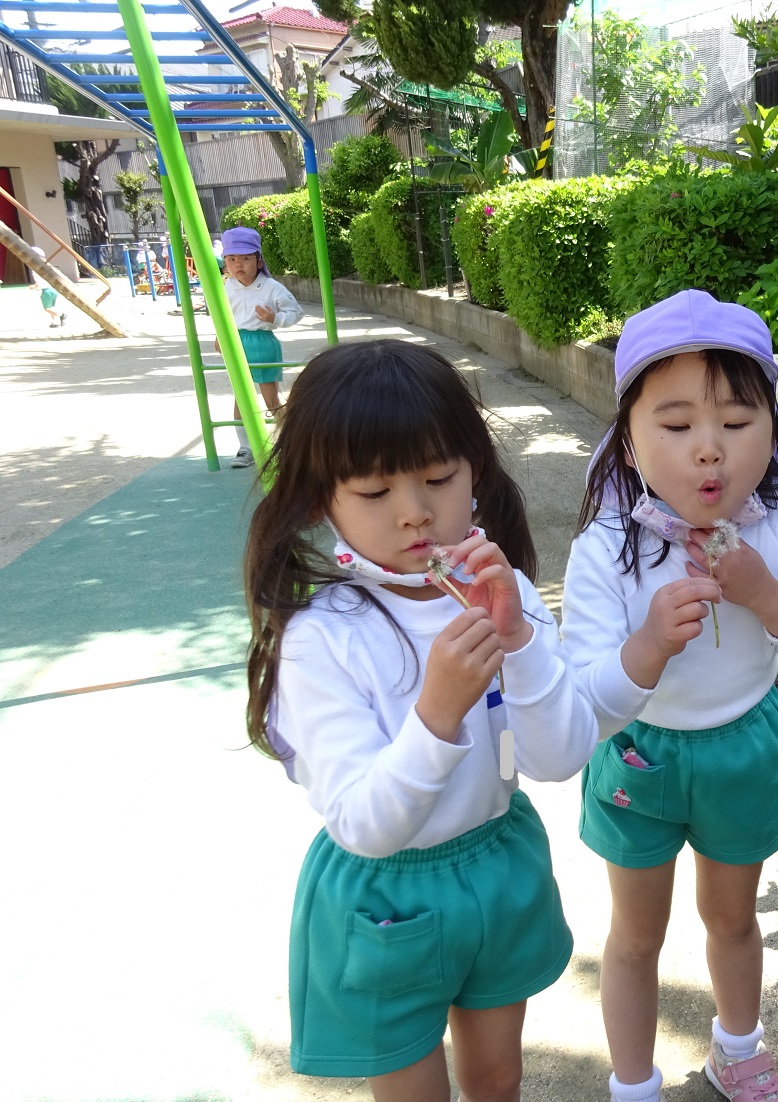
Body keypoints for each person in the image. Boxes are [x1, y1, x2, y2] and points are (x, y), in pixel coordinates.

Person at [243, 339, 598, 1101]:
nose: (414, 513)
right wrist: (437, 712)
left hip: (497, 859)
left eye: (438, 479)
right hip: (384, 897)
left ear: (475, 472)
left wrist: (519, 642)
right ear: (320, 501)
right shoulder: (322, 638)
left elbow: (559, 757)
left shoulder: (504, 592)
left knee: (497, 1078)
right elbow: (363, 824)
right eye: (374, 491)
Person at [561, 289, 778, 1102]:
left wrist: (767, 596)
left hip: (741, 747)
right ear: (627, 444)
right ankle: (632, 1085)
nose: (709, 450)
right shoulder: (607, 543)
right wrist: (648, 646)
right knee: (635, 937)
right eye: (675, 424)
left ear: (772, 433)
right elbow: (585, 701)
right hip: (638, 754)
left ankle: (738, 1050)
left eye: (735, 422)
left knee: (732, 919)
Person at [217, 225, 303, 468]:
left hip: (263, 342)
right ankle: (245, 448)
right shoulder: (226, 287)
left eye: (245, 258)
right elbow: (220, 313)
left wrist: (274, 318)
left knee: (270, 399)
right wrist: (220, 335)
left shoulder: (271, 286)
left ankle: (290, 443)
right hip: (236, 342)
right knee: (240, 397)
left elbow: (295, 312)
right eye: (231, 259)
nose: (238, 265)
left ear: (259, 260)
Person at [30, 246, 65, 328]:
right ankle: (55, 322)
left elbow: (40, 281)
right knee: (52, 307)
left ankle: (61, 315)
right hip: (53, 289)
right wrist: (35, 286)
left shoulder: (36, 269)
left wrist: (34, 286)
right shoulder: (45, 268)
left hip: (46, 291)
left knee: (47, 308)